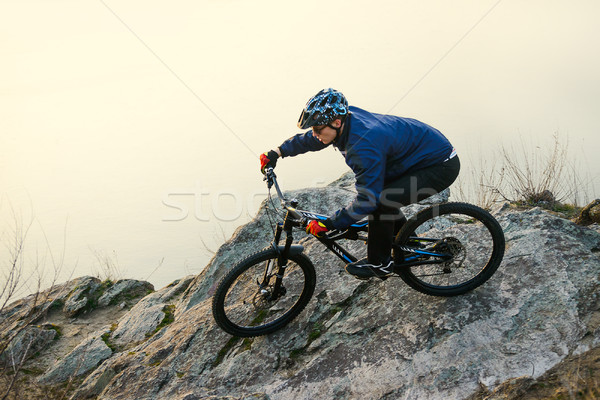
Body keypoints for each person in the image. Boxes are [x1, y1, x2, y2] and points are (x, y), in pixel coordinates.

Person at [260, 88, 460, 280]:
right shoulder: (343, 121)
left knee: (380, 201)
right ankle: (408, 244)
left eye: (317, 128)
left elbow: (367, 201)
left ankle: (379, 264)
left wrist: (330, 223)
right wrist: (277, 152)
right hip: (414, 157)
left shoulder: (361, 145)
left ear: (337, 123)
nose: (315, 133)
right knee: (383, 198)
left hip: (439, 164)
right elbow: (314, 140)